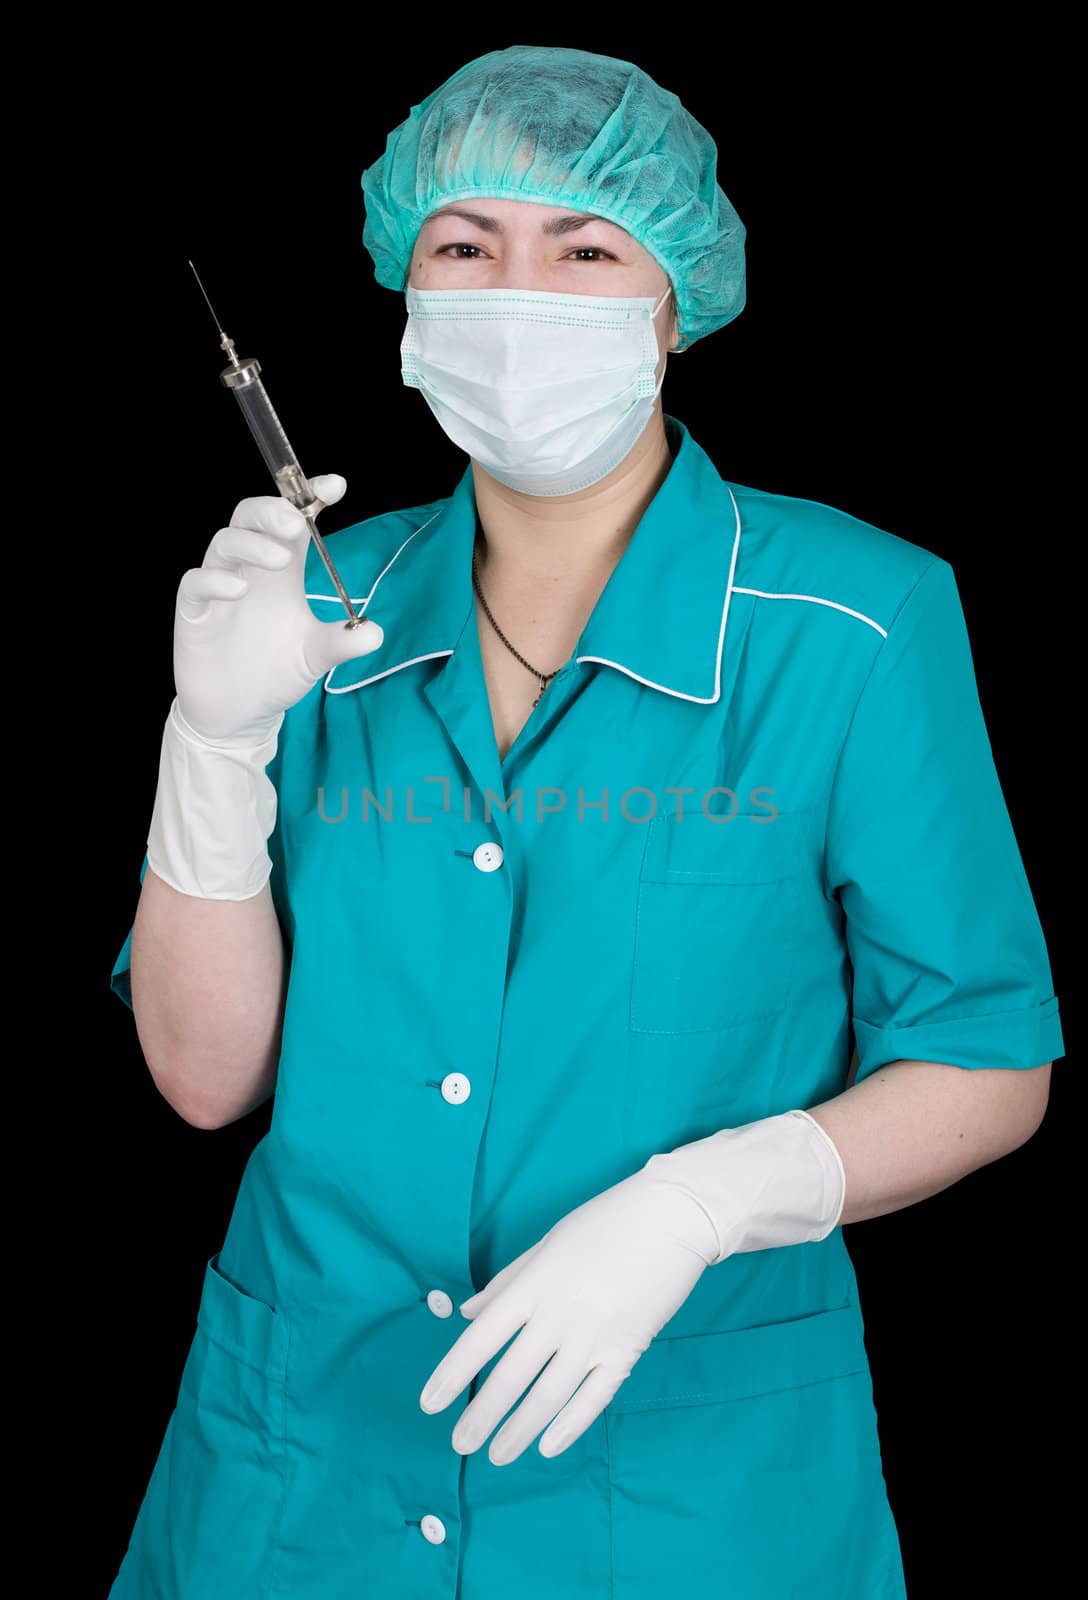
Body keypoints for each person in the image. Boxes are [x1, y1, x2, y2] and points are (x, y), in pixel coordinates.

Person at [107, 44, 1063, 1600]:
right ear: (407, 296)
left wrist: (703, 1204)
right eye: (465, 246)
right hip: (297, 1484)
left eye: (586, 246)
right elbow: (208, 1082)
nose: (519, 288)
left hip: (689, 1501)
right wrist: (209, 740)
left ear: (675, 297)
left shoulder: (856, 622)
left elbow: (989, 1062)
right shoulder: (310, 613)